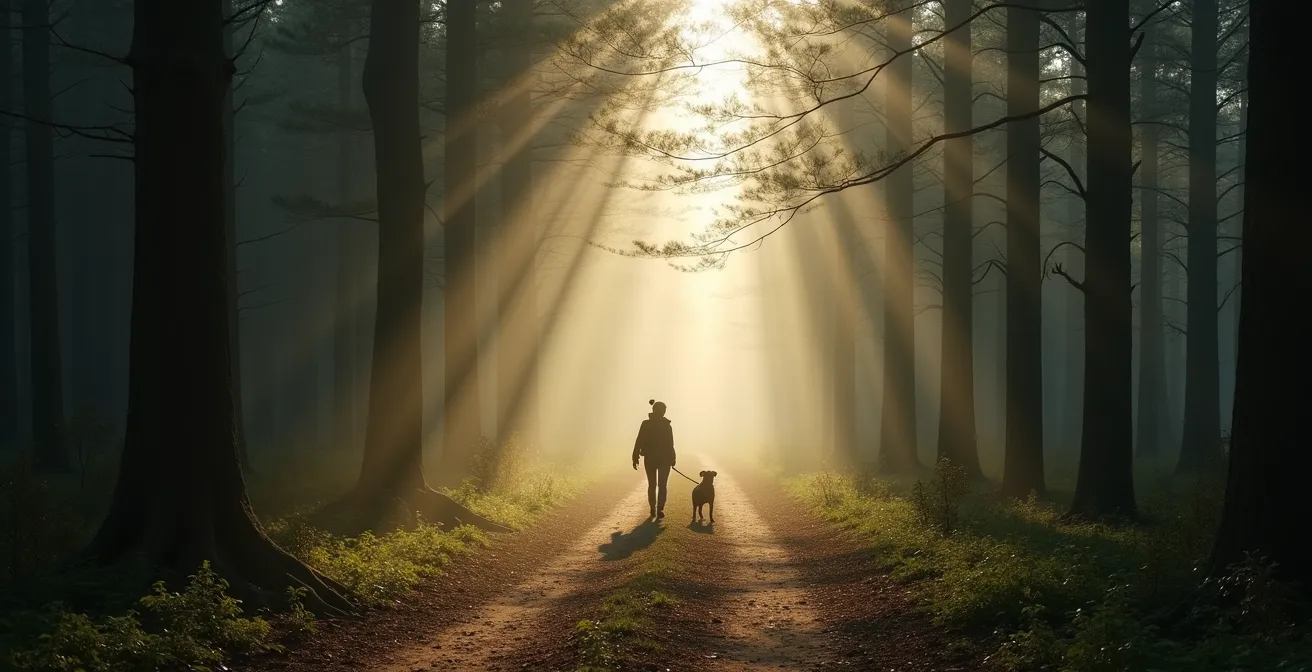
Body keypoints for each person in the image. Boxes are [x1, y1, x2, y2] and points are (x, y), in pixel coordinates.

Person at [632, 399, 676, 519]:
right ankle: (657, 509)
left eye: (663, 410)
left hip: (653, 459)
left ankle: (656, 508)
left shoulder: (649, 424)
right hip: (661, 459)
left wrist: (635, 456)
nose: (662, 412)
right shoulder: (665, 425)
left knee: (655, 485)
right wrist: (672, 458)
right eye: (661, 410)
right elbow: (640, 440)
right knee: (660, 485)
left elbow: (639, 440)